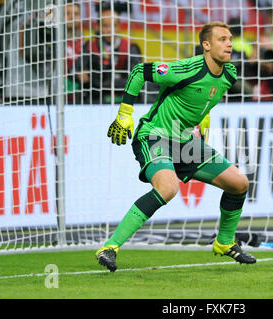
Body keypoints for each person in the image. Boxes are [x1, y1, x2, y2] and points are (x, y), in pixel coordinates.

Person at [95, 21, 256, 272]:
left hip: (186, 142)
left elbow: (205, 103)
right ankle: (110, 247)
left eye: (230, 39)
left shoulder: (229, 74)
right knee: (168, 188)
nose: (229, 44)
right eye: (222, 39)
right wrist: (125, 114)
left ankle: (224, 243)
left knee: (239, 183)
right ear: (206, 45)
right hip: (155, 135)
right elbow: (139, 71)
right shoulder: (186, 68)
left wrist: (202, 133)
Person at [74, 7, 142, 104]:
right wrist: (80, 74)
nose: (110, 30)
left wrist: (104, 82)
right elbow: (74, 70)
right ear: (98, 27)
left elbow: (137, 79)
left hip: (125, 100)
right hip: (96, 101)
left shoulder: (130, 48)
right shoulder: (90, 47)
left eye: (114, 25)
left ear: (119, 26)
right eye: (105, 26)